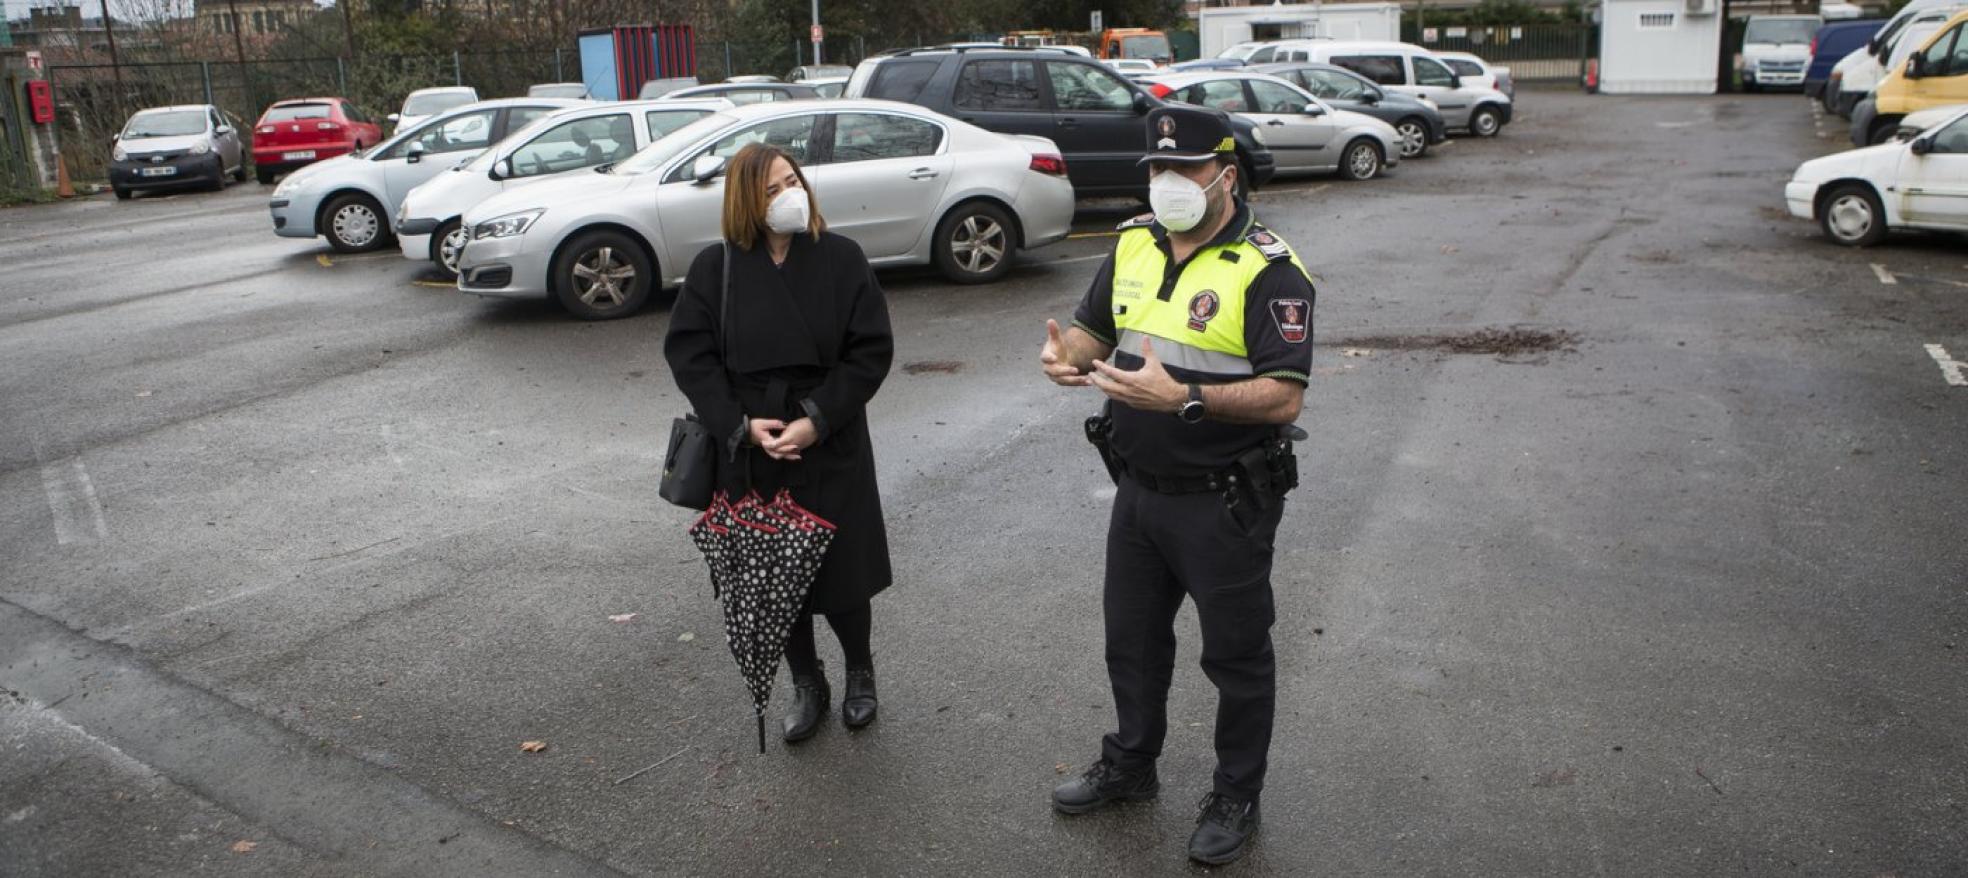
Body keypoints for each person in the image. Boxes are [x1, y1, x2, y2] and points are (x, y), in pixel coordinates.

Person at [1038, 105, 1316, 866]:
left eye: (1184, 169)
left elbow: (1285, 394)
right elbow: (1099, 330)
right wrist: (1071, 357)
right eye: (1157, 170)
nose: (1167, 184)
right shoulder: (1132, 242)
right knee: (1130, 643)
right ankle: (1131, 764)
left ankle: (1236, 793)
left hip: (1223, 500)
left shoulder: (1269, 268)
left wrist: (1187, 399)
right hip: (1137, 493)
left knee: (1235, 656)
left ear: (1225, 174)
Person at [664, 143, 896, 743]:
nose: (788, 194)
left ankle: (859, 672)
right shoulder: (716, 270)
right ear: (746, 200)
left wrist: (819, 418)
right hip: (751, 445)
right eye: (771, 189)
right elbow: (690, 355)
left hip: (830, 435)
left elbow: (870, 350)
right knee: (773, 573)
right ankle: (806, 681)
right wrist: (738, 423)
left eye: (791, 181)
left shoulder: (842, 258)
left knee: (843, 572)